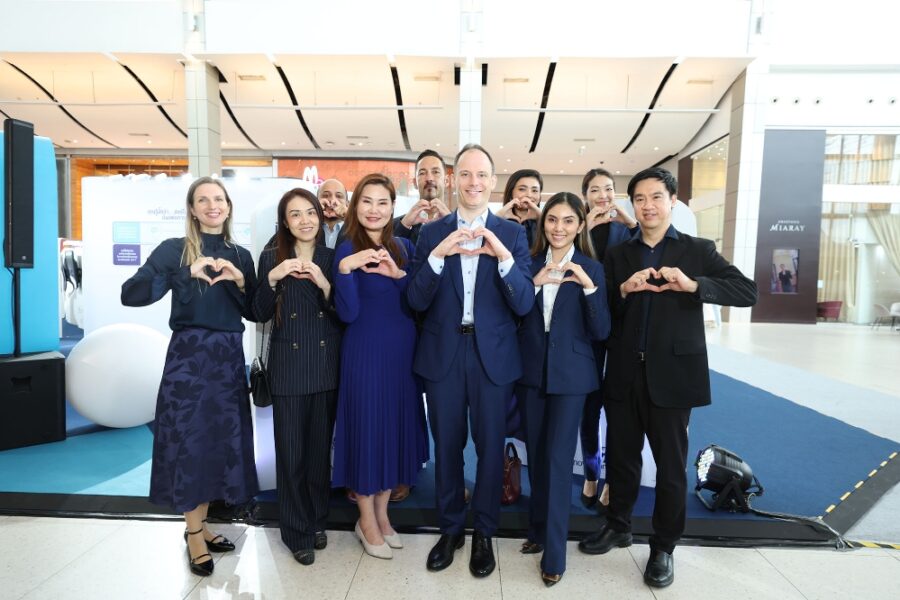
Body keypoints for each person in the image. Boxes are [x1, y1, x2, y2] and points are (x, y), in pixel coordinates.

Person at [578, 167, 757, 588]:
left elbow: (747, 291)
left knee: (671, 469)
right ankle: (618, 525)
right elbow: (602, 313)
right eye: (639, 199)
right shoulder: (619, 255)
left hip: (673, 377)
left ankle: (663, 547)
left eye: (656, 197)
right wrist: (623, 291)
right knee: (620, 459)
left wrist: (693, 285)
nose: (648, 206)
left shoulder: (697, 250)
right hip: (624, 373)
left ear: (672, 201)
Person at [120, 176, 258, 577]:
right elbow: (131, 294)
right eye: (203, 200)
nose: (212, 205)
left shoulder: (241, 254)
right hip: (189, 360)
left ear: (228, 207)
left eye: (219, 199)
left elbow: (254, 311)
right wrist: (184, 273)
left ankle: (203, 523)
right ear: (193, 210)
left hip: (228, 360)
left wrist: (240, 280)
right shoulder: (174, 249)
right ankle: (194, 533)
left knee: (218, 445)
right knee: (189, 445)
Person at [408, 143, 533, 578]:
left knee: (490, 448)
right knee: (446, 448)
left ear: (493, 182)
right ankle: (450, 530)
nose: (473, 182)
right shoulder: (431, 233)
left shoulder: (512, 234)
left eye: (481, 175)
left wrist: (502, 257)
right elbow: (415, 299)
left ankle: (484, 531)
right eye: (465, 174)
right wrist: (438, 256)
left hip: (492, 358)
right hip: (443, 354)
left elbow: (524, 304)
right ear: (453, 179)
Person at [331, 173, 428, 560]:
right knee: (368, 432)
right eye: (367, 201)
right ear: (356, 206)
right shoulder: (345, 249)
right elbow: (348, 313)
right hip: (364, 353)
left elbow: (418, 302)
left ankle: (384, 516)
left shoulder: (404, 247)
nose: (374, 210)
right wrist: (345, 269)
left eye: (382, 202)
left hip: (401, 355)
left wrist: (398, 274)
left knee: (393, 432)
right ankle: (366, 520)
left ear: (392, 207)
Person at [516, 192, 610, 586]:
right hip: (531, 372)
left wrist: (588, 289)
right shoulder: (528, 263)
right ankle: (538, 530)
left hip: (571, 377)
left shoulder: (592, 268)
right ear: (543, 223)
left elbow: (601, 330)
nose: (559, 228)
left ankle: (555, 554)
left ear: (581, 225)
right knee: (537, 458)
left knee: (556, 461)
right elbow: (514, 315)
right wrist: (533, 285)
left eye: (568, 220)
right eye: (552, 219)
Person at [252, 188, 342, 566]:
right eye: (295, 214)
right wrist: (273, 278)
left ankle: (317, 520)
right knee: (291, 456)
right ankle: (295, 531)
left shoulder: (332, 258)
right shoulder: (270, 257)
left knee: (319, 455)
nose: (305, 220)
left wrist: (324, 283)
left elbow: (343, 313)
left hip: (325, 365)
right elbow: (257, 313)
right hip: (288, 369)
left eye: (310, 212)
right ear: (285, 222)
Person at [579, 168, 638, 510]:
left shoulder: (626, 230)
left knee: (617, 408)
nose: (603, 196)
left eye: (609, 189)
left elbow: (648, 248)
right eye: (595, 190)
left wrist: (629, 221)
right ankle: (591, 474)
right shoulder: (578, 227)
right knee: (589, 406)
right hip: (585, 328)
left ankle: (612, 480)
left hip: (620, 326)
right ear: (585, 195)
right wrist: (584, 226)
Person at [394, 149, 452, 247]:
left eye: (435, 172)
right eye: (422, 173)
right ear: (415, 183)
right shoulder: (396, 226)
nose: (429, 178)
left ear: (446, 181)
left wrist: (452, 225)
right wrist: (404, 226)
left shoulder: (461, 225)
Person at [495, 169, 543, 247]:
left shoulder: (544, 222)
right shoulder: (500, 221)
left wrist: (542, 218)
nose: (529, 195)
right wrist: (499, 216)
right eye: (522, 189)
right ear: (511, 193)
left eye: (534, 190)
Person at [319, 178, 348, 249]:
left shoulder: (357, 229)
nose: (332, 200)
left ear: (347, 203)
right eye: (325, 195)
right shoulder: (308, 226)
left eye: (339, 196)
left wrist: (349, 216)